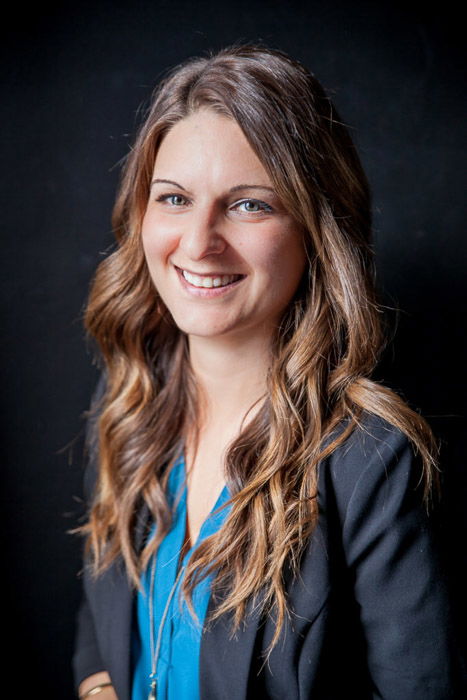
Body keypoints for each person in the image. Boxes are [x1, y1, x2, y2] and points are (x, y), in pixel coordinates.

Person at [73, 44, 462, 699]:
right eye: (172, 198)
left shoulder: (368, 458)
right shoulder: (125, 403)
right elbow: (99, 619)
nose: (198, 242)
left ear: (317, 228)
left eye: (249, 204)